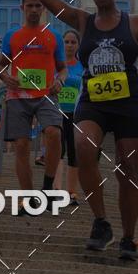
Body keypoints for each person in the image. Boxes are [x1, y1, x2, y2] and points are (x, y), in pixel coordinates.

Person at [37, 0, 138, 261]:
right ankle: (101, 222)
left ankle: (128, 236)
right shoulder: (83, 21)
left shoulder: (135, 22)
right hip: (94, 101)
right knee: (84, 149)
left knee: (127, 168)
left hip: (128, 103)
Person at [0, 0, 67, 216]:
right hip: (18, 96)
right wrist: (5, 77)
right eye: (30, 5)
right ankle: (27, 199)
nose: (34, 9)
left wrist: (61, 80)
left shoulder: (53, 35)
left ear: (44, 9)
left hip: (47, 94)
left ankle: (47, 189)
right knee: (21, 145)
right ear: (22, 8)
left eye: (38, 5)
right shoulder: (12, 35)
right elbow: (0, 66)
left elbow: (63, 68)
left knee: (54, 133)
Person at [53, 28, 84, 206]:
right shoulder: (56, 65)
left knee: (74, 152)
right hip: (56, 112)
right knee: (58, 150)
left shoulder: (83, 66)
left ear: (78, 45)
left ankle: (71, 192)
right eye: (66, 42)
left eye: (73, 42)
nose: (70, 45)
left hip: (76, 114)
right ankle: (57, 189)